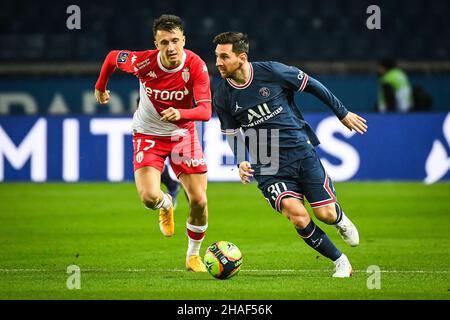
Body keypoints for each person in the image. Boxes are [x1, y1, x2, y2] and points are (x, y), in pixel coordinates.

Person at [212, 32, 368, 278]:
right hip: (267, 161)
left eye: (224, 57)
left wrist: (342, 113)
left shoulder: (272, 72)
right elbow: (231, 131)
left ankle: (339, 219)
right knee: (297, 215)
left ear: (241, 58)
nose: (218, 62)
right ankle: (341, 261)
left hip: (299, 149)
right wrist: (241, 159)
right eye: (216, 57)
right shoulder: (222, 95)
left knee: (325, 214)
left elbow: (313, 85)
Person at [94, 14, 212, 272]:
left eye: (175, 41)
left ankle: (193, 256)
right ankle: (166, 204)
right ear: (156, 44)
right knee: (148, 197)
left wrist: (182, 113)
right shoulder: (142, 62)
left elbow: (205, 111)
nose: (171, 47)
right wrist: (101, 86)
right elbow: (113, 57)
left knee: (200, 201)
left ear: (184, 40)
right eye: (164, 42)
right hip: (148, 134)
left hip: (182, 135)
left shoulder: (196, 66)